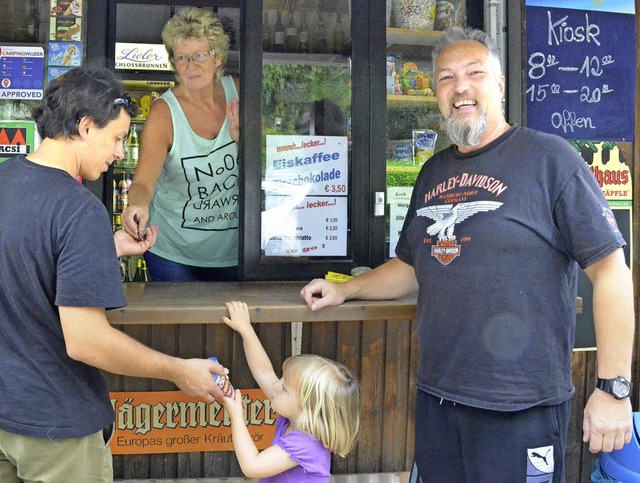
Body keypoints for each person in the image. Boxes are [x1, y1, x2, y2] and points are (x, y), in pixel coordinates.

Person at [300, 26, 635, 482]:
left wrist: (614, 389)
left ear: (499, 86)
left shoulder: (551, 160)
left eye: (474, 73)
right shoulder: (433, 171)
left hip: (522, 406)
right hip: (440, 399)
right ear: (437, 95)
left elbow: (611, 271)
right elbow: (412, 266)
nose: (460, 87)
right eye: (445, 78)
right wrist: (346, 290)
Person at [0, 66, 229, 483]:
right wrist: (179, 370)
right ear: (86, 126)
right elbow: (87, 341)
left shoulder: (5, 181)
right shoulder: (79, 209)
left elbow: (24, 258)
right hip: (58, 428)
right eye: (118, 137)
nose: (120, 152)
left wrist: (107, 248)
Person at [122, 7, 240, 282]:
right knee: (180, 326)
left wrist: (244, 139)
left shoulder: (238, 93)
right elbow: (142, 184)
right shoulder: (164, 112)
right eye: (182, 58)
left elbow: (267, 162)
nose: (191, 65)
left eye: (200, 55)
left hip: (235, 250)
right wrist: (137, 207)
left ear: (218, 57)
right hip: (173, 254)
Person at [220, 301, 361, 482]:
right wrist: (246, 330)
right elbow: (265, 372)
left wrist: (236, 416)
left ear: (306, 407)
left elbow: (252, 466)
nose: (276, 385)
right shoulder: (293, 415)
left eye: (284, 387)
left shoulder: (305, 444)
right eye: (282, 379)